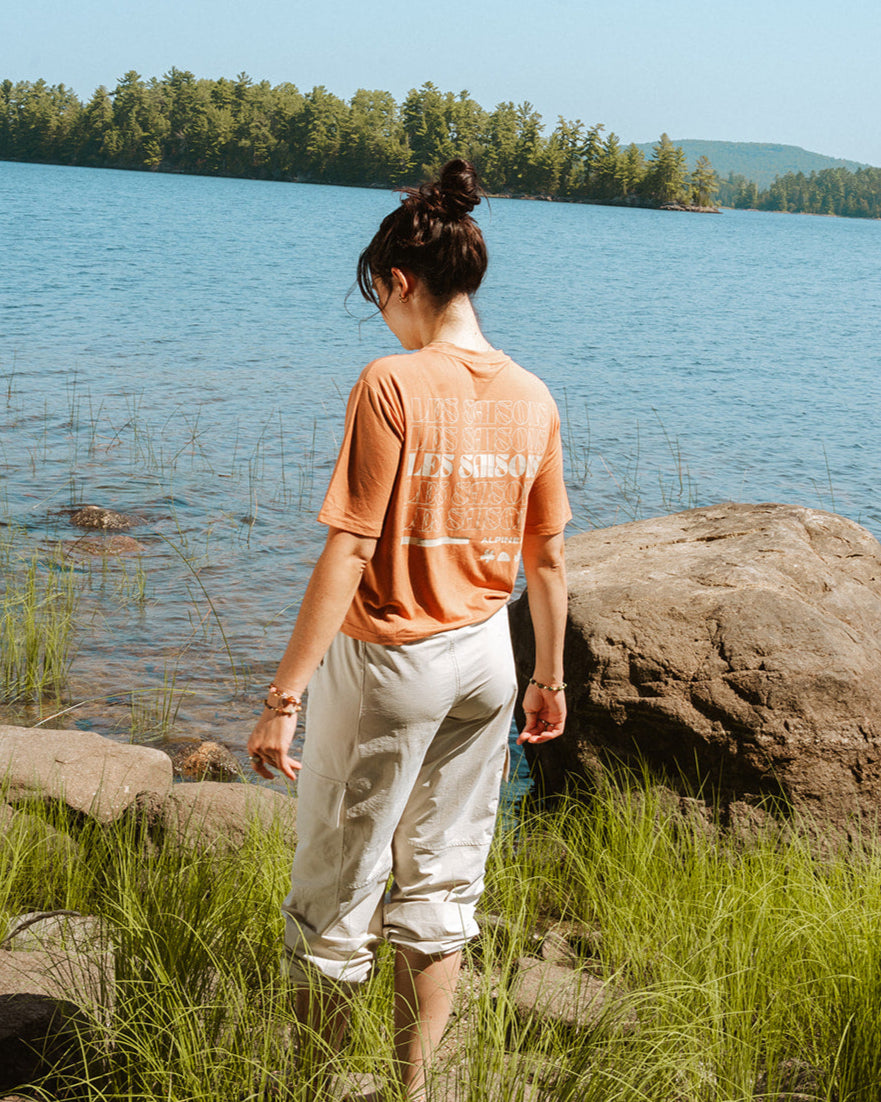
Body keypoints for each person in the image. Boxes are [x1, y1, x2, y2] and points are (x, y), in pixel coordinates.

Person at [247, 158, 570, 1100]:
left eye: (378, 298)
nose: (382, 317)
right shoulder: (533, 394)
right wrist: (547, 677)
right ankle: (415, 1090)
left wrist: (283, 698)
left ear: (398, 283)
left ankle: (308, 1089)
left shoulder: (391, 382)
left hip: (392, 659)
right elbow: (545, 560)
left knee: (336, 896)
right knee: (440, 889)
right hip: (487, 662)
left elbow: (349, 548)